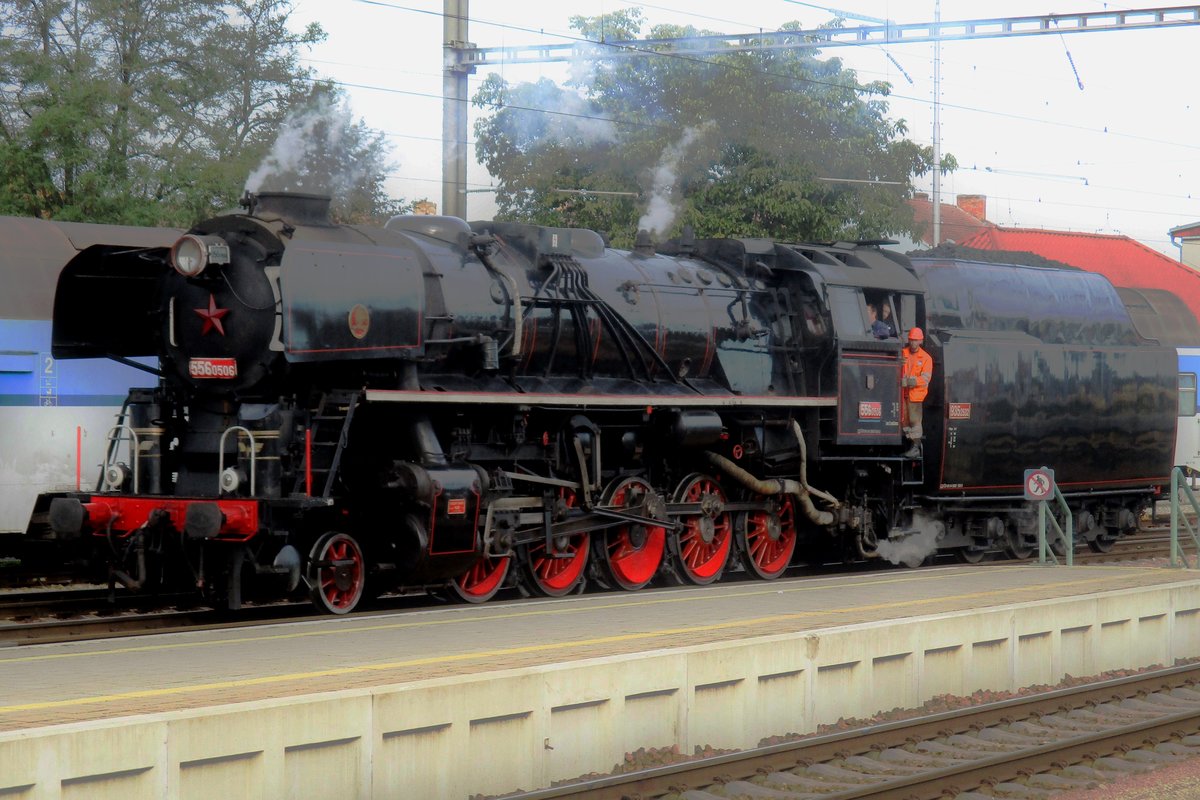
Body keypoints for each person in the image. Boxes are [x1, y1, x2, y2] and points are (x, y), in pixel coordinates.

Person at [901, 326, 933, 457]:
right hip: (903, 395)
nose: (913, 343)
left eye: (916, 340)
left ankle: (915, 447)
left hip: (916, 397)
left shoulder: (926, 358)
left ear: (921, 341)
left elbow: (925, 379)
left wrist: (909, 382)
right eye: (911, 340)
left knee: (915, 423)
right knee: (904, 422)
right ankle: (908, 446)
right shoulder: (903, 353)